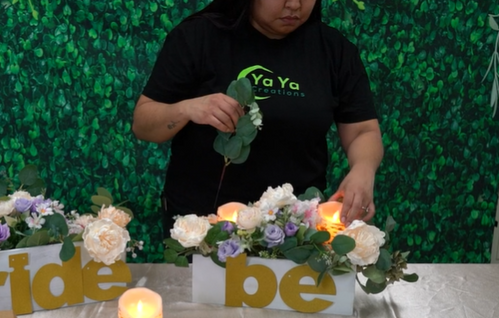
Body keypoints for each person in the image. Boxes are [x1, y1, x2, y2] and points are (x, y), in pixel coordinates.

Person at [132, 0, 384, 233]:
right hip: (202, 227)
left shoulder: (334, 50)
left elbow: (363, 130)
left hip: (296, 230)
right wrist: (186, 109)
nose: (294, 4)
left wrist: (363, 170)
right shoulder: (198, 36)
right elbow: (143, 124)